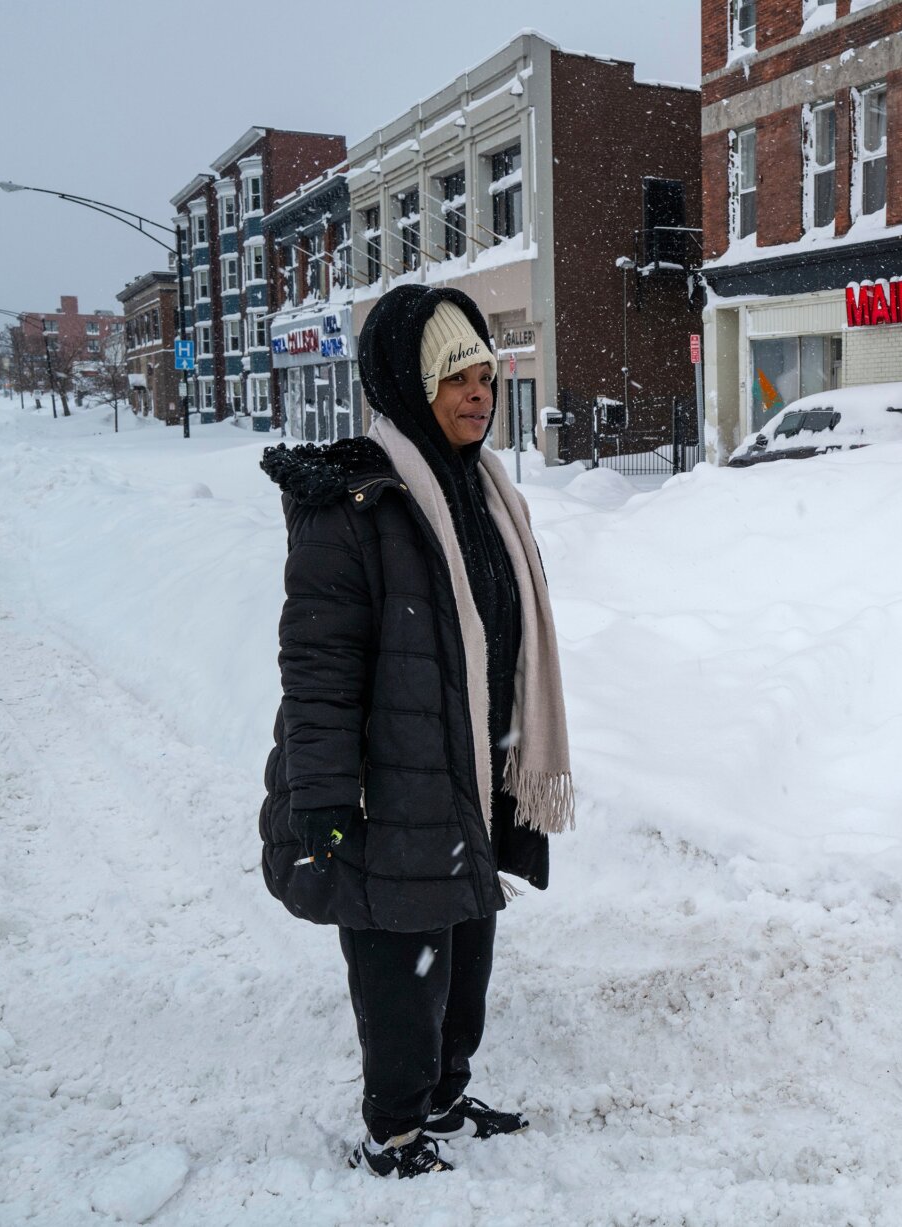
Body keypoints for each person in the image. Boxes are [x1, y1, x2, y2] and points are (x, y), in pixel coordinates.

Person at [257, 285, 574, 1179]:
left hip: (471, 766)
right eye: (454, 378)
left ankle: (442, 1092)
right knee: (403, 961)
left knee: (466, 945)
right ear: (408, 384)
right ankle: (394, 1130)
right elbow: (317, 673)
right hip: (388, 778)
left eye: (486, 375)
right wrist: (323, 804)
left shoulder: (482, 492)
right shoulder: (353, 504)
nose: (478, 394)